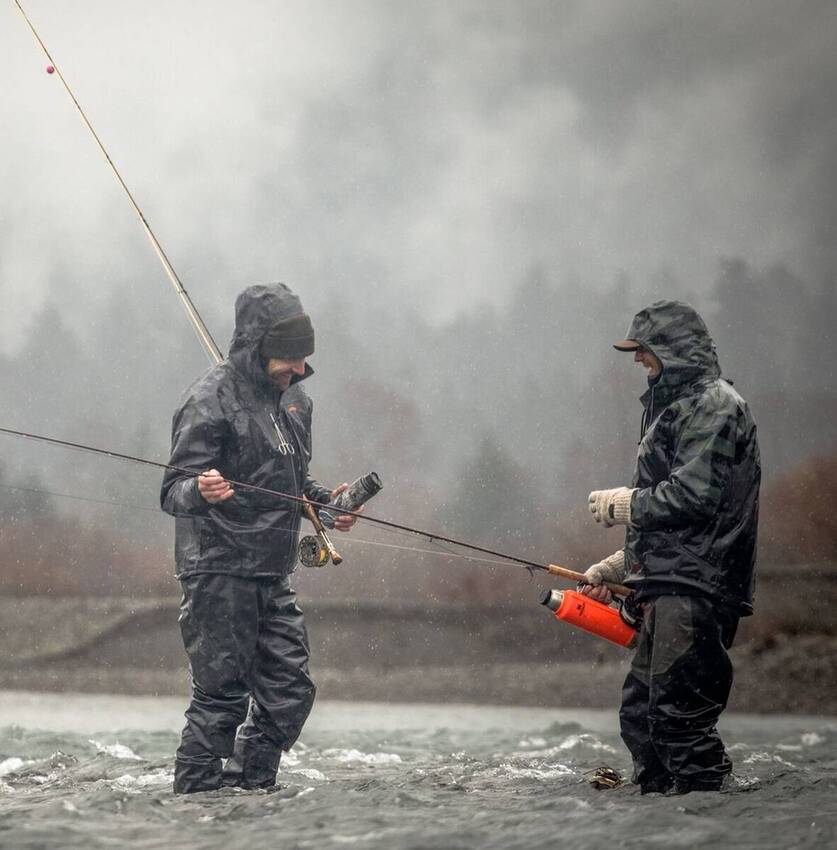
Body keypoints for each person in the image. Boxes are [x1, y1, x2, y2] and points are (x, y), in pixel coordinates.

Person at [161, 282, 358, 794]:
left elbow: (293, 480)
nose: (298, 369)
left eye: (303, 358)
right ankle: (198, 805)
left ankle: (249, 793)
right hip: (217, 569)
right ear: (258, 345)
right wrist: (200, 490)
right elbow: (172, 489)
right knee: (222, 698)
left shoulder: (296, 404)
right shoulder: (208, 399)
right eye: (289, 358)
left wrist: (324, 504)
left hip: (274, 572)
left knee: (289, 692)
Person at [581, 299, 760, 795]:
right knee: (642, 720)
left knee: (678, 721)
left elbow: (694, 497)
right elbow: (680, 512)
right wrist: (621, 564)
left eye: (643, 350)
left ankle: (710, 822)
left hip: (697, 589)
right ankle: (660, 822)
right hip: (669, 584)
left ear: (672, 351)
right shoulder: (675, 408)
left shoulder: (717, 405)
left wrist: (625, 504)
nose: (638, 360)